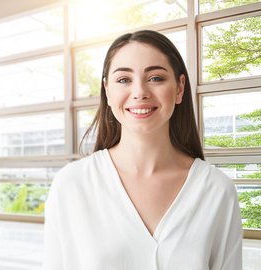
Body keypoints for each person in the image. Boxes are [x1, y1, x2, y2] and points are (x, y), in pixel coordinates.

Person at [42, 30, 242, 270]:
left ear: (179, 88)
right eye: (124, 80)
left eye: (155, 78)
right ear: (107, 90)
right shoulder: (71, 184)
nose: (139, 92)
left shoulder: (217, 190)